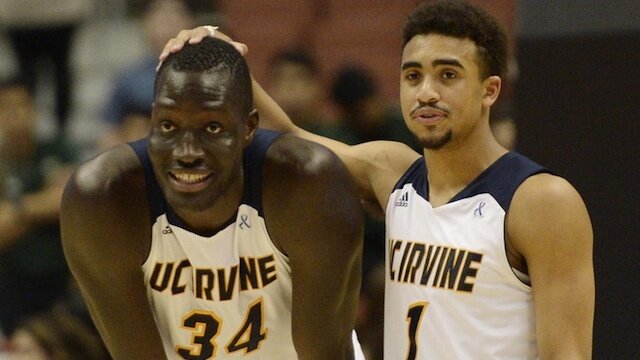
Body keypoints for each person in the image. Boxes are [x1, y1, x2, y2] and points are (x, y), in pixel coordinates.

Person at [160, 1, 595, 358]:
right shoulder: (393, 173)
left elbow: (568, 354)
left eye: (448, 75)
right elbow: (291, 140)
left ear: (490, 90)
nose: (426, 92)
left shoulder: (541, 201)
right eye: (413, 76)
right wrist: (221, 56)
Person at [61, 37, 365, 359]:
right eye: (168, 125)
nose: (187, 151)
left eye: (213, 128)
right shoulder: (101, 199)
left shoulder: (307, 185)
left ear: (248, 127)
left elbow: (327, 354)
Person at [0, 77, 77, 334]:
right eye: (6, 107)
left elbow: (69, 201)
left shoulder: (59, 150)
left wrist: (17, 211)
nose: (16, 115)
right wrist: (42, 207)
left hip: (60, 282)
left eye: (23, 105)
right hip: (11, 289)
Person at [100, 0, 196, 150]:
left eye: (174, 16)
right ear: (146, 24)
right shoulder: (128, 78)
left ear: (189, 23)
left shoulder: (205, 74)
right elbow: (110, 132)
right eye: (161, 17)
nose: (167, 24)